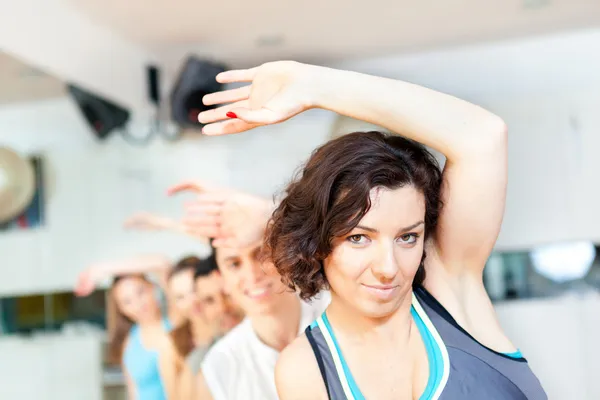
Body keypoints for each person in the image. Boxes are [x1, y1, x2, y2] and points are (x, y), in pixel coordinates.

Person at [193, 61, 547, 399]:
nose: (388, 268)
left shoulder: (450, 290)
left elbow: (483, 136)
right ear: (317, 242)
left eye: (407, 237)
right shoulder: (306, 370)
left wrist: (315, 87)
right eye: (359, 238)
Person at [167, 183, 331, 400]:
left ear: (283, 254)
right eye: (234, 264)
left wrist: (270, 213)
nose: (252, 275)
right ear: (221, 280)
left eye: (261, 254)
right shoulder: (218, 369)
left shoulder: (336, 309)